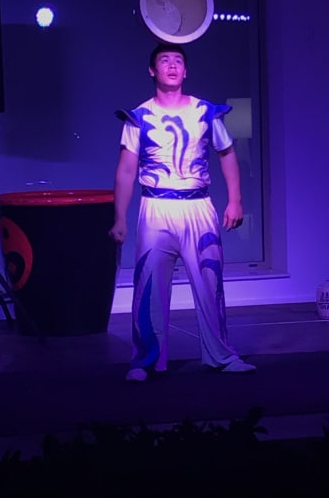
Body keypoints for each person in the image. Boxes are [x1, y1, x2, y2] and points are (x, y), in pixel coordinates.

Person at [109, 42, 257, 382]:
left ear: (186, 70)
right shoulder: (139, 117)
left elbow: (227, 153)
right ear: (152, 70)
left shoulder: (205, 112)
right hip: (156, 207)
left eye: (178, 60)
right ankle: (145, 361)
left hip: (198, 205)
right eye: (165, 60)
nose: (172, 66)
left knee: (209, 282)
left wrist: (235, 200)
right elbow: (126, 170)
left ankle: (221, 356)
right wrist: (119, 217)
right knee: (149, 286)